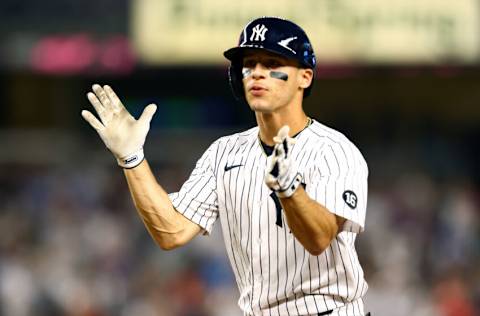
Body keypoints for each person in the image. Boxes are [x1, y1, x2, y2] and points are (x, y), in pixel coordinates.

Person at [82, 17, 370, 316]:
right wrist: (132, 158)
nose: (258, 74)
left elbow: (320, 238)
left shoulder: (334, 150)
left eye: (272, 63)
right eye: (250, 64)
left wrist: (290, 189)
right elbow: (171, 231)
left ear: (305, 77)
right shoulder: (224, 153)